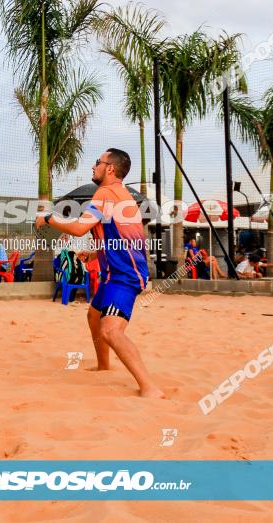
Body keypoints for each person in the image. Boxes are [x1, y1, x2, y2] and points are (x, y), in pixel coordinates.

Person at [36, 148, 164, 399]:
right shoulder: (121, 195)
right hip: (112, 272)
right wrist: (95, 254)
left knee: (110, 330)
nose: (94, 166)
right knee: (94, 316)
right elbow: (122, 237)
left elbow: (80, 228)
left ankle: (150, 387)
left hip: (124, 275)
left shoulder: (105, 193)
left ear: (110, 168)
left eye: (98, 162)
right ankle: (104, 364)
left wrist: (49, 218)